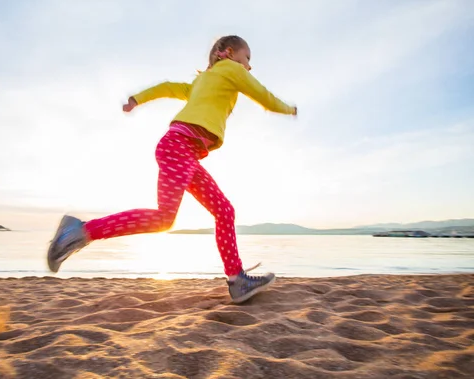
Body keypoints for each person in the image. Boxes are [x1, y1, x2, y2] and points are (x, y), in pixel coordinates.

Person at [47, 35, 297, 303]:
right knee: (164, 218)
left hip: (184, 151)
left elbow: (167, 87)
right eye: (247, 58)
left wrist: (137, 99)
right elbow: (264, 96)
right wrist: (288, 109)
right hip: (179, 146)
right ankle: (80, 232)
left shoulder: (202, 82)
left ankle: (237, 281)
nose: (249, 67)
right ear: (229, 53)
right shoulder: (231, 70)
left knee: (224, 210)